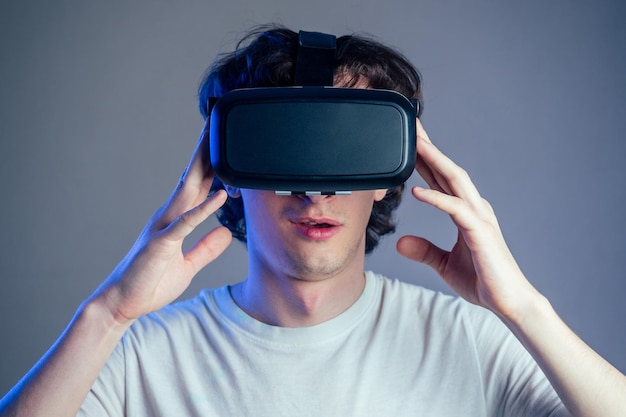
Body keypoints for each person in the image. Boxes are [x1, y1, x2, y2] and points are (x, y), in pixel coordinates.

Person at [1, 24, 625, 417]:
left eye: (346, 151)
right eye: (282, 148)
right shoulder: (136, 354)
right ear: (229, 169)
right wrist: (108, 312)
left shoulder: (474, 342)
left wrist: (523, 309)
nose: (315, 189)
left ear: (389, 173)